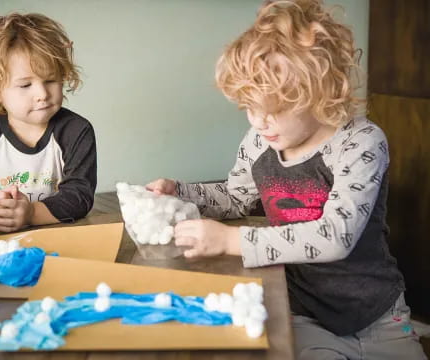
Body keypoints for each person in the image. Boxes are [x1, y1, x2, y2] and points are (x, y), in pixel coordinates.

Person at [147, 0, 427, 358]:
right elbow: (236, 197)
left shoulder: (361, 141)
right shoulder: (259, 141)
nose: (258, 122)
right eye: (250, 106)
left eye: (274, 109)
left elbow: (336, 235)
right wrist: (181, 193)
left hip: (381, 314)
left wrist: (233, 240)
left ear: (320, 93)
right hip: (304, 314)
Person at [0, 13, 97, 233]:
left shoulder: (77, 130)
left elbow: (79, 196)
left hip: (60, 237)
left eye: (50, 80)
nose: (41, 94)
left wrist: (30, 213)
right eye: (25, 85)